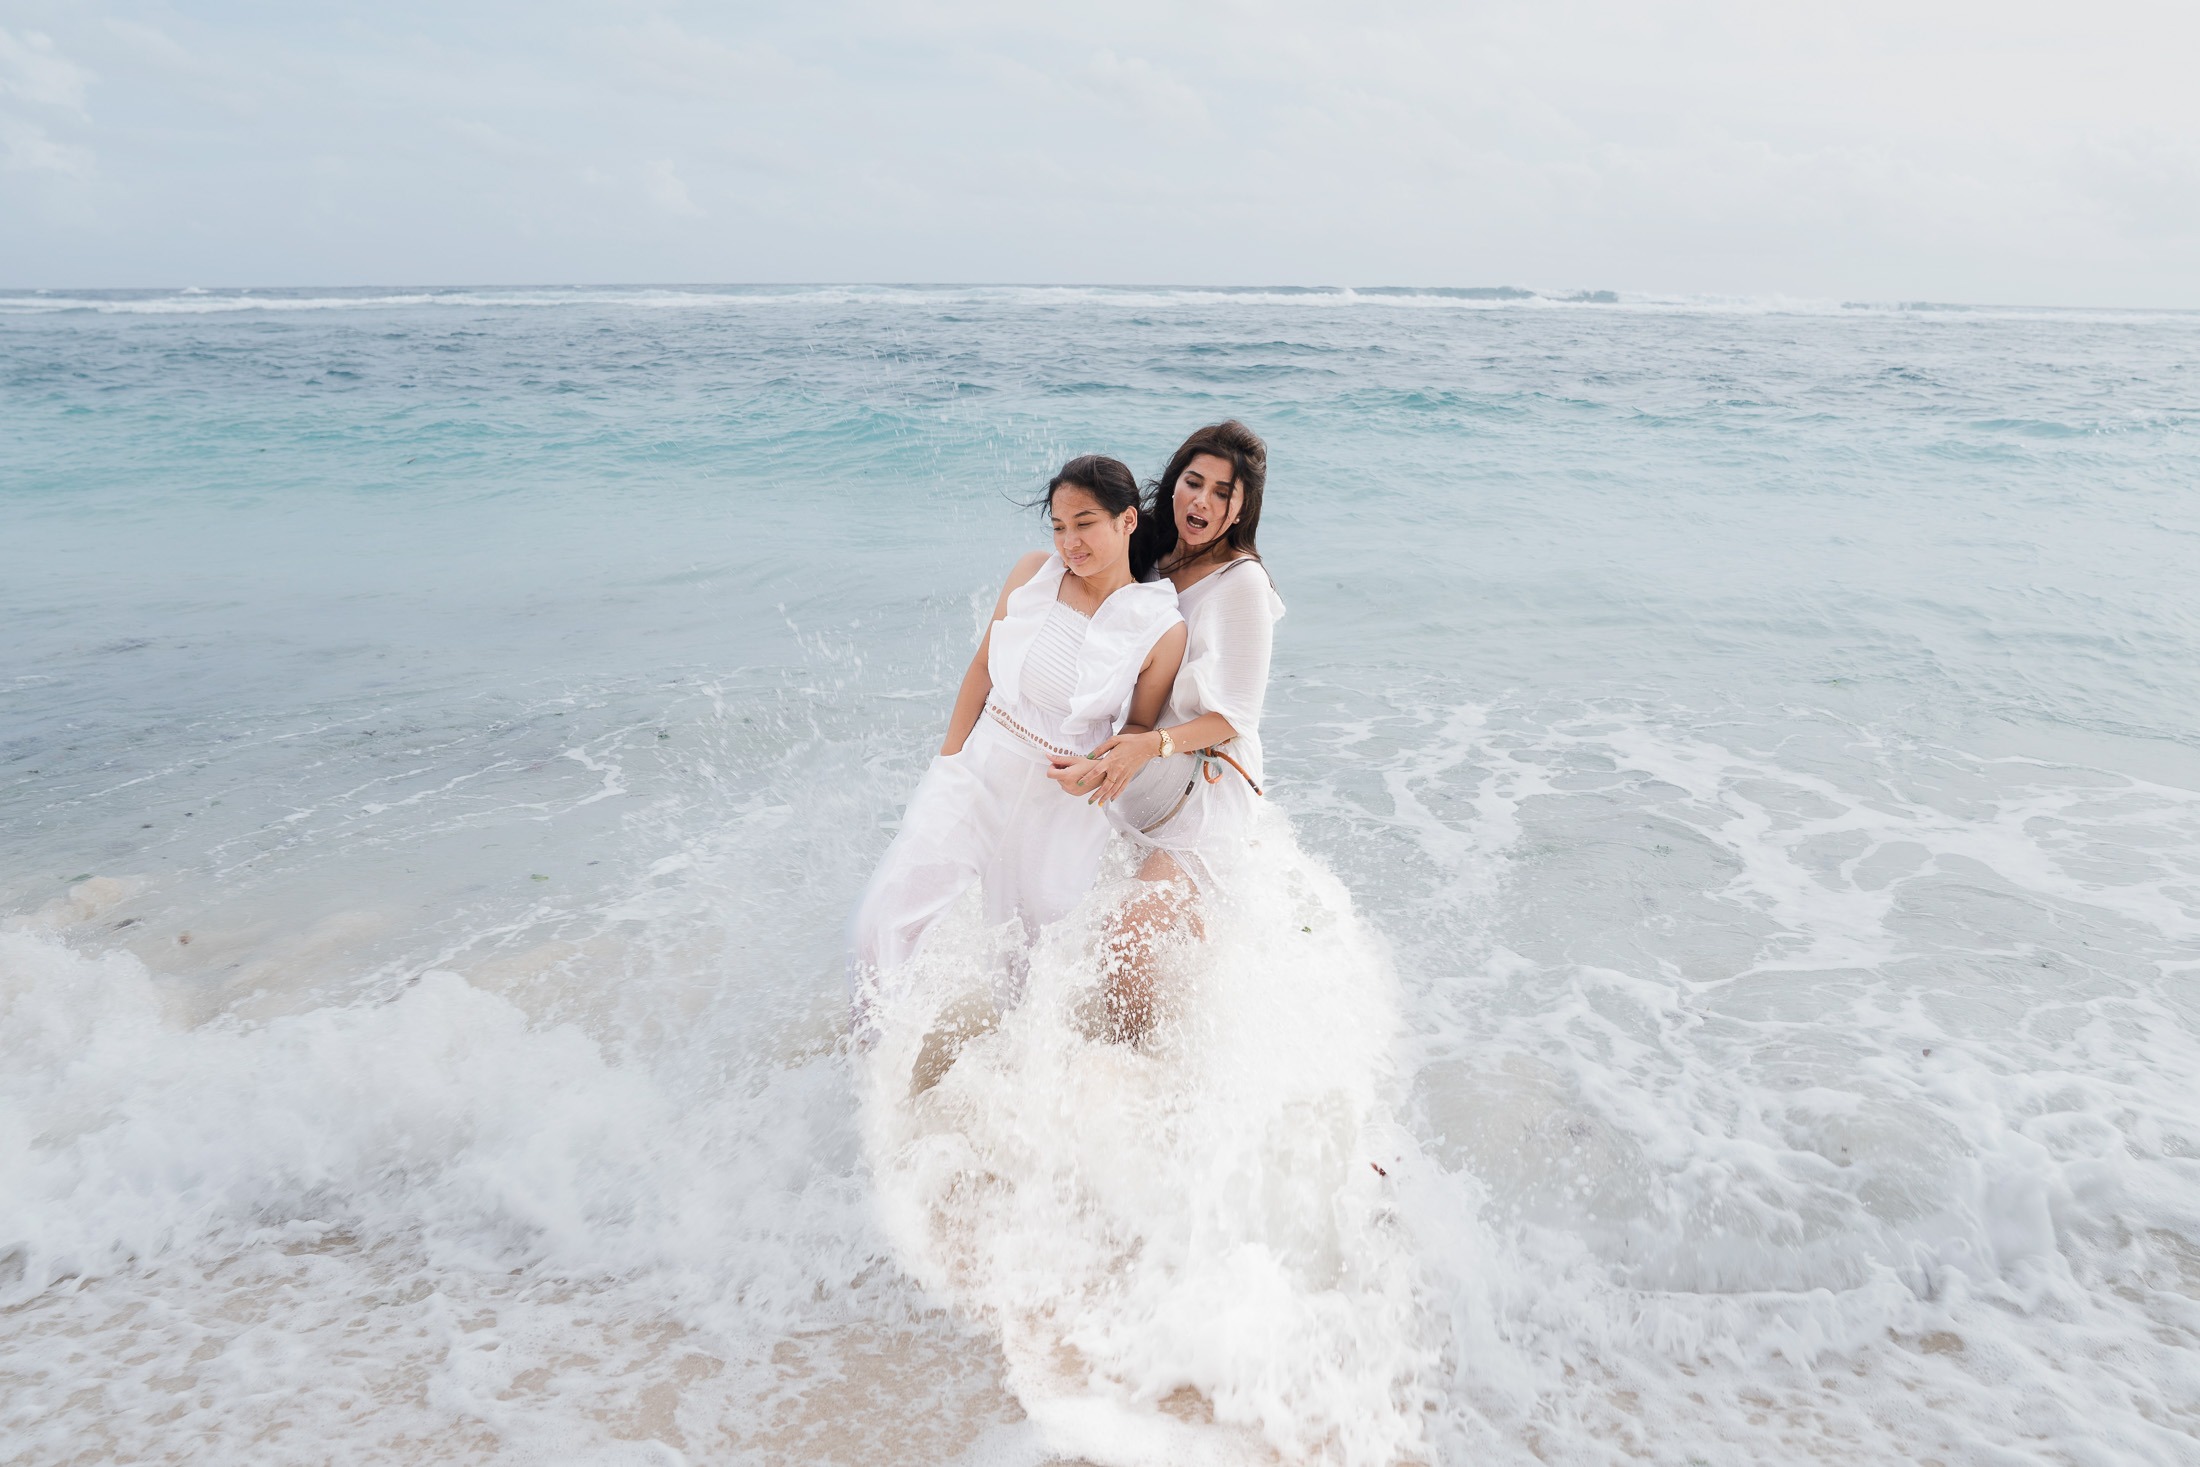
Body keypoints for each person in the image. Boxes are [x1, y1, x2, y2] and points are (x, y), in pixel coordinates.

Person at [849, 455, 1187, 1034]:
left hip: (1064, 800)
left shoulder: (1160, 626)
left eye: (1084, 523)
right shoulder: (1034, 572)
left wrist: (1096, 768)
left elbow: (1136, 730)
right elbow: (982, 665)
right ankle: (875, 1064)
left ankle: (1007, 1081)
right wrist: (950, 759)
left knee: (1035, 958)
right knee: (886, 914)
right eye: (1058, 525)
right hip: (982, 767)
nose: (1069, 541)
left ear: (1127, 521)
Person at [1045, 421, 1283, 1043]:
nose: (1200, 501)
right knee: (1124, 929)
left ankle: (1137, 1071)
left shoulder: (1243, 585)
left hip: (1205, 794)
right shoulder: (1151, 552)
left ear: (1240, 509)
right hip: (1144, 780)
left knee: (1127, 938)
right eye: (1191, 481)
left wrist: (1152, 743)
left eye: (1220, 492)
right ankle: (1170, 1042)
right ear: (1173, 482)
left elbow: (1236, 716)